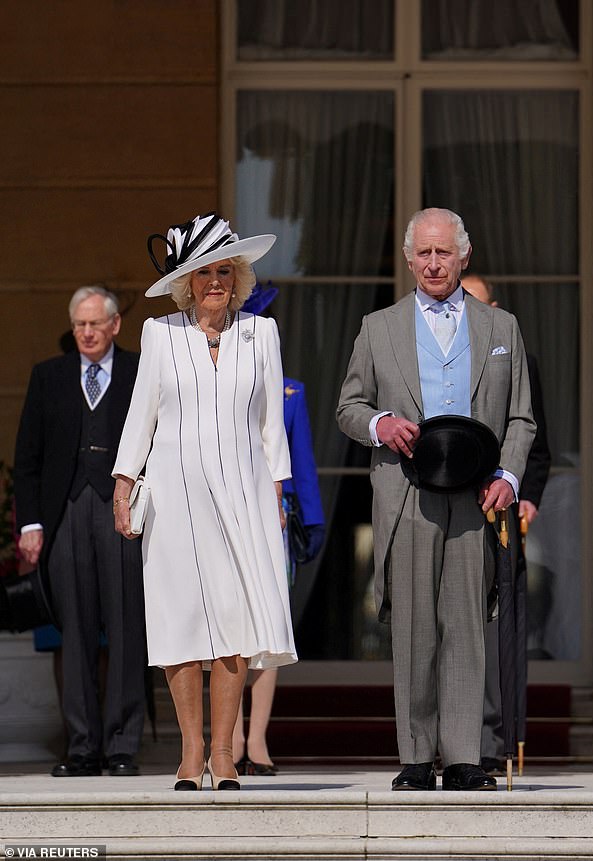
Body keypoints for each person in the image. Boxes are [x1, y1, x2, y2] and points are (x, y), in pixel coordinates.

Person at [337, 208, 536, 792]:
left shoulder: (503, 329)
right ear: (408, 258)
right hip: (407, 495)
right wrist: (380, 425)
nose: (432, 263)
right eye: (422, 253)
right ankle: (417, 757)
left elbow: (522, 418)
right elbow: (348, 406)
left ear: (463, 256)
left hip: (476, 497)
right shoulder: (379, 327)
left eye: (442, 253)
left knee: (467, 627)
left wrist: (509, 476)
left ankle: (467, 756)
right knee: (416, 628)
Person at [112, 211, 297, 792]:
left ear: (237, 278)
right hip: (172, 495)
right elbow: (140, 413)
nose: (214, 282)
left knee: (236, 620)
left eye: (224, 271)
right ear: (186, 282)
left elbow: (272, 425)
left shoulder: (259, 334)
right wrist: (124, 484)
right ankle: (190, 751)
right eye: (202, 273)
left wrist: (277, 495)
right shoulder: (160, 335)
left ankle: (224, 753)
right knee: (179, 621)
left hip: (244, 496)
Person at [13, 286, 146, 777]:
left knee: (127, 629)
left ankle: (121, 746)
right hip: (65, 514)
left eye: (95, 324)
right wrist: (31, 522)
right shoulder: (49, 377)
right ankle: (83, 747)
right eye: (79, 325)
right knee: (76, 634)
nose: (87, 333)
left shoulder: (139, 371)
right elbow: (27, 457)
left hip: (123, 514)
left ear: (114, 325)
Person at [232, 284, 325, 775]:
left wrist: (312, 520)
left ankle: (258, 741)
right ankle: (228, 739)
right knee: (229, 629)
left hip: (275, 520)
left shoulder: (291, 392)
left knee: (268, 628)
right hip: (226, 515)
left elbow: (302, 463)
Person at [461, 274, 552, 776]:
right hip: (450, 510)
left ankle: (494, 740)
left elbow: (538, 443)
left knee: (500, 631)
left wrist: (527, 495)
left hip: (501, 510)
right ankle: (448, 739)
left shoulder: (520, 361)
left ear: (494, 309)